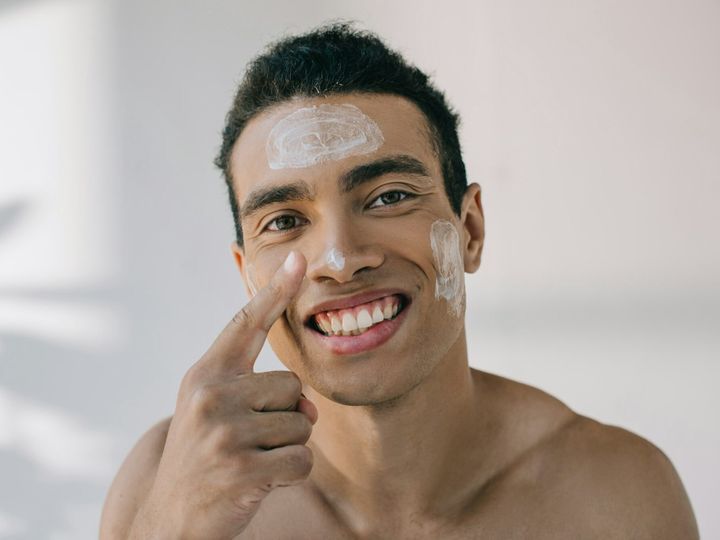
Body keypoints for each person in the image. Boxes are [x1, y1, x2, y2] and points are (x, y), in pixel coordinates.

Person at [100, 23, 698, 539]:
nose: (339, 257)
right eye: (284, 221)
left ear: (469, 230)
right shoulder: (165, 480)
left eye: (388, 197)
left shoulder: (617, 496)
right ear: (245, 273)